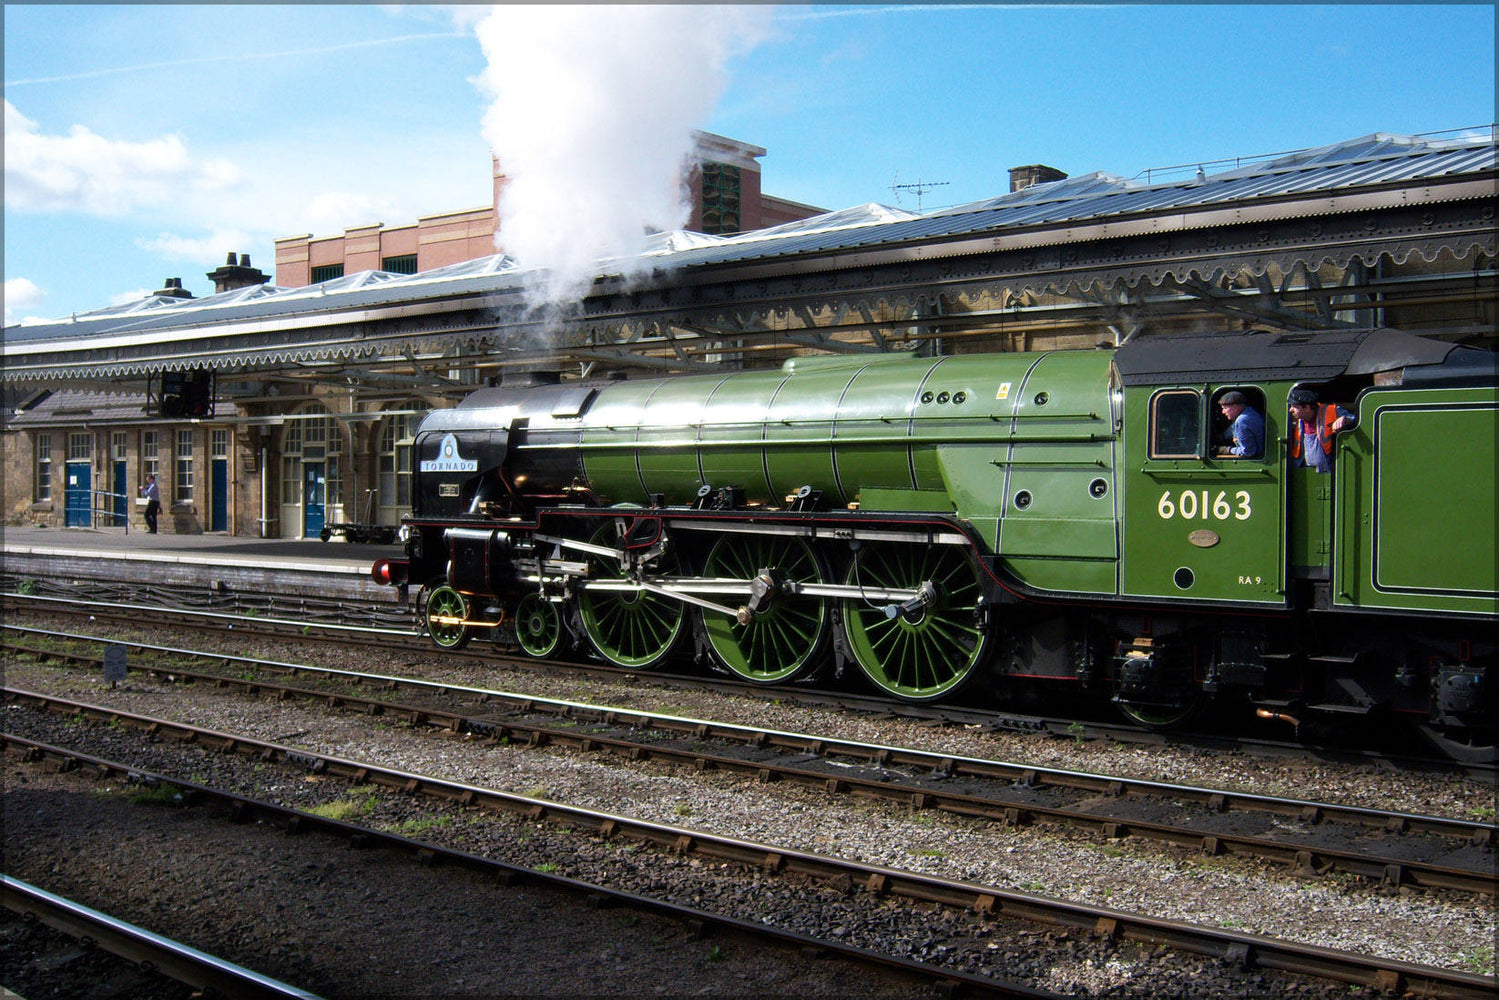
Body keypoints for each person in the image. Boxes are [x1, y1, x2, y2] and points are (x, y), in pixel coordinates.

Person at [1287, 388, 1356, 473]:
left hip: (1328, 472)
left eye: (1294, 406)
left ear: (1307, 408)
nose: (1290, 410)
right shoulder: (1297, 419)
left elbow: (1356, 419)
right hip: (1305, 473)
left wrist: (1345, 419)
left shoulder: (1331, 411)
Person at [1215, 390, 1264, 459]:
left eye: (1225, 408)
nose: (1223, 412)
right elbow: (1230, 431)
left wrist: (1228, 450)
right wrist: (1219, 437)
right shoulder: (1249, 413)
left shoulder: (1242, 420)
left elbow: (1248, 452)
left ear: (1235, 408)